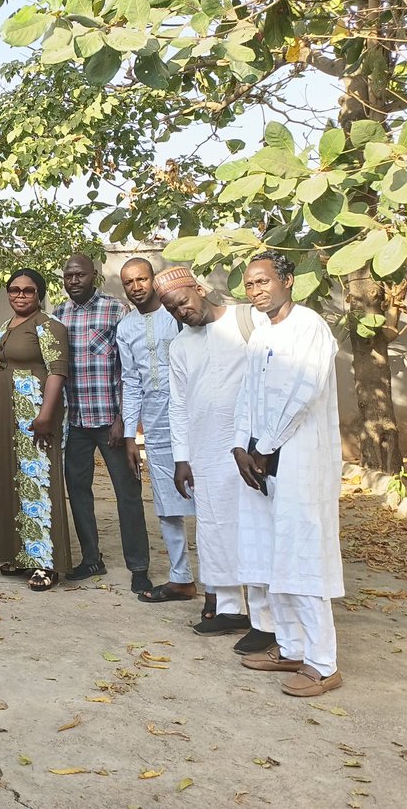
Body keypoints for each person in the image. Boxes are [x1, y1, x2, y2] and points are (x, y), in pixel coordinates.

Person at [233, 251, 344, 697]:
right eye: (250, 284)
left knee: (302, 556)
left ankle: (324, 663)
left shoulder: (310, 327)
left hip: (298, 458)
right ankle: (291, 646)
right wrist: (241, 445)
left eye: (263, 282)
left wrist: (266, 446)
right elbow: (248, 393)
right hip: (263, 459)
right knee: (272, 554)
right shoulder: (261, 334)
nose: (256, 291)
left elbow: (303, 392)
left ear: (288, 281)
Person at [158, 266, 263, 647]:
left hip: (250, 450)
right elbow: (178, 404)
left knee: (253, 527)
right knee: (215, 528)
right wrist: (181, 458)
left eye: (182, 302)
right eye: (171, 310)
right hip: (205, 449)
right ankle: (230, 610)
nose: (180, 312)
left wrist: (262, 444)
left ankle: (265, 618)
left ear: (199, 289)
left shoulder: (246, 319)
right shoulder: (180, 344)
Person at [54, 254, 152, 594]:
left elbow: (130, 371)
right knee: (78, 492)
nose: (74, 280)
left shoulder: (116, 311)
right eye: (68, 275)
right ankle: (91, 558)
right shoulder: (59, 315)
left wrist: (124, 421)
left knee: (128, 493)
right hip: (76, 423)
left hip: (110, 420)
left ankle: (139, 566)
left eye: (80, 274)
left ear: (94, 275)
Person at [0, 269, 73, 591]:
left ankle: (46, 563)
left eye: (28, 291)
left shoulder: (49, 327)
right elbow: (0, 372)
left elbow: (56, 372)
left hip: (34, 414)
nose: (20, 295)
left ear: (40, 295)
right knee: (11, 481)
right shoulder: (7, 327)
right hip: (7, 417)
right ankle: (22, 554)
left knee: (38, 483)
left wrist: (46, 415)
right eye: (14, 290)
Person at [116, 259, 197, 605]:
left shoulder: (176, 315)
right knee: (167, 502)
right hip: (155, 419)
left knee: (208, 500)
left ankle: (224, 585)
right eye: (129, 282)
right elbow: (131, 381)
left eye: (142, 279)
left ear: (153, 280)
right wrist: (131, 436)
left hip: (194, 414)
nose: (136, 287)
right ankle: (181, 578)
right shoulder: (126, 327)